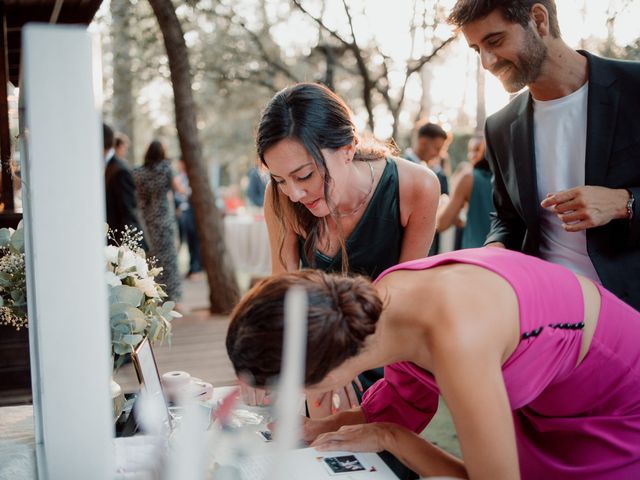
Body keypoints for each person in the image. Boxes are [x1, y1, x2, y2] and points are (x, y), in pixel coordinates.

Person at [226, 247, 640, 480]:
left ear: (327, 371)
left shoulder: (457, 341)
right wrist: (324, 426)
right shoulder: (378, 302)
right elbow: (408, 388)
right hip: (549, 396)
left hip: (617, 405)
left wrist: (391, 438)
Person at [256, 82, 439, 419]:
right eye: (281, 180)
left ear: (348, 147)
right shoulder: (280, 197)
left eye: (305, 175)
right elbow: (285, 289)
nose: (294, 194)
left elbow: (403, 301)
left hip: (390, 349)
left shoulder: (417, 186)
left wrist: (344, 361)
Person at [448, 0, 640, 310]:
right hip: (542, 310)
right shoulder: (499, 126)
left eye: (494, 41)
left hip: (629, 310)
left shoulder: (635, 88)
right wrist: (492, 251)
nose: (486, 61)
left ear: (539, 20)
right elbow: (508, 220)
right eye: (476, 49)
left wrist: (625, 203)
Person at [133, 141, 182, 302]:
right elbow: (179, 189)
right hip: (163, 218)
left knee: (150, 257)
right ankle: (171, 296)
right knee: (168, 259)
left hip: (146, 219)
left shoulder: (138, 173)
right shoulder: (166, 170)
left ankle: (150, 295)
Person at [436, 135, 492, 248]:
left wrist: (444, 203)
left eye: (477, 150)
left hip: (474, 254)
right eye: (470, 151)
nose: (472, 155)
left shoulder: (469, 178)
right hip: (504, 254)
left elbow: (442, 223)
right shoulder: (510, 179)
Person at [404, 122, 449, 255]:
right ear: (423, 142)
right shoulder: (402, 168)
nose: (439, 154)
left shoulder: (435, 171)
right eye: (436, 148)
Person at [103, 123, 146, 246]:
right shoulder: (107, 167)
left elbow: (128, 212)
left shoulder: (120, 171)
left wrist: (123, 251)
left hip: (120, 245)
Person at [174, 160, 203, 278]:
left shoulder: (192, 178)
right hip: (182, 213)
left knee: (194, 240)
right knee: (187, 241)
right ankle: (192, 267)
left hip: (191, 212)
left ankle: (196, 268)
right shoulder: (179, 177)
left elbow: (189, 194)